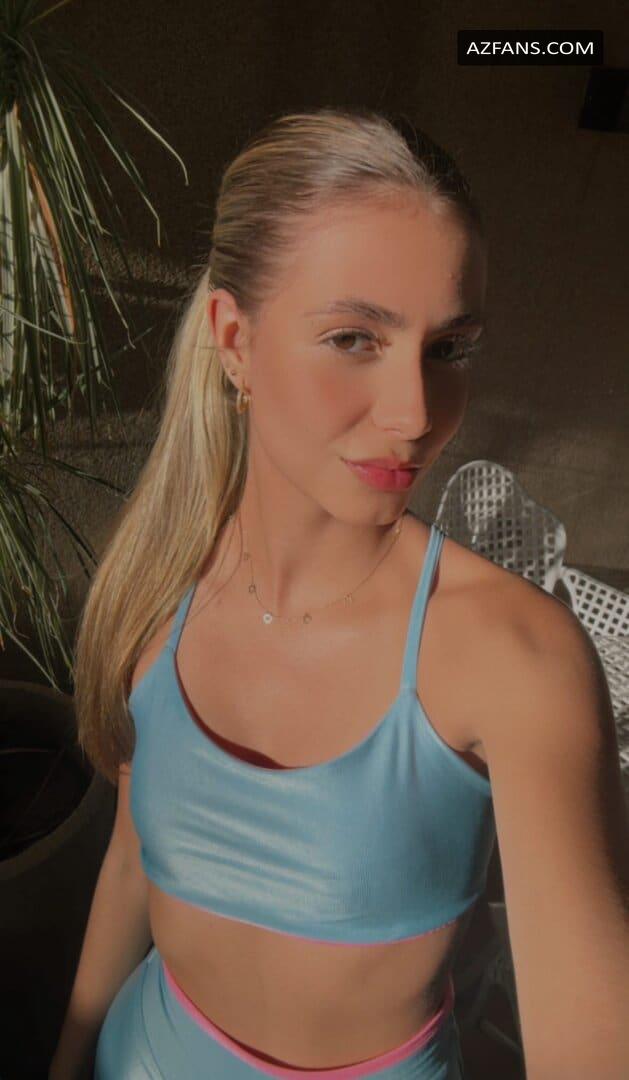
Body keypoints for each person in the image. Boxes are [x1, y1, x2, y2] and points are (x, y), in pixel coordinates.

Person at [50, 107, 629, 1079]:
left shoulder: (513, 656)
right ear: (234, 340)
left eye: (448, 349)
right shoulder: (159, 584)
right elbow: (132, 860)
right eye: (354, 337)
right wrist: (68, 1059)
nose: (414, 415)